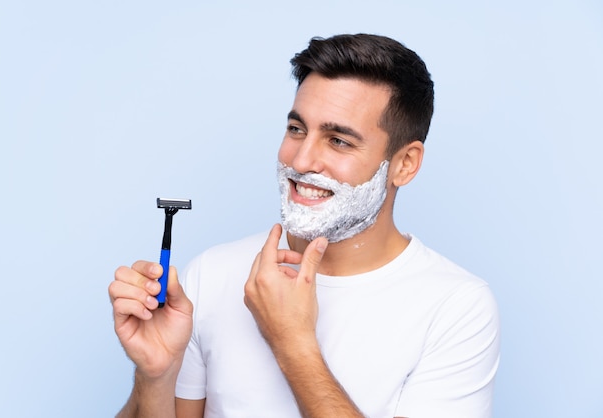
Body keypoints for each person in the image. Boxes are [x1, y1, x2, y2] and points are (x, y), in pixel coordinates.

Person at [109, 33, 500, 418]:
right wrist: (154, 377)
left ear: (405, 164)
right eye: (297, 129)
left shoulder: (456, 308)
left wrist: (292, 342)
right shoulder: (210, 276)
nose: (301, 160)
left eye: (339, 141)